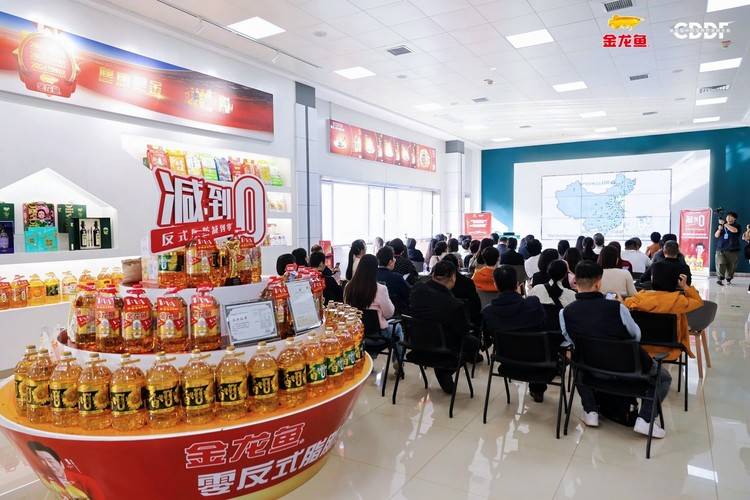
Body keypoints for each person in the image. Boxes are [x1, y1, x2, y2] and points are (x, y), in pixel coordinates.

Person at [560, 261, 671, 437]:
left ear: (575, 282)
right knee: (663, 377)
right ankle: (645, 419)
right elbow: (636, 336)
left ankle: (590, 411)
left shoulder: (565, 312)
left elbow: (571, 340)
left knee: (577, 361)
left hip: (592, 369)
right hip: (627, 370)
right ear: (598, 283)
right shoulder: (616, 308)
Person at [482, 265, 550, 402]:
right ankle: (537, 389)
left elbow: (487, 338)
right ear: (517, 284)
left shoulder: (488, 312)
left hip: (507, 361)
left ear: (495, 285)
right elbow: (543, 327)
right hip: (538, 363)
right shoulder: (532, 304)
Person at [409, 260, 480, 393]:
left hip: (417, 344)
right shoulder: (454, 304)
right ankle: (444, 371)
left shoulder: (417, 290)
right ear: (453, 277)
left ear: (433, 274)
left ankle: (442, 371)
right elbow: (463, 331)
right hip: (443, 348)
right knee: (474, 343)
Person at [626, 261, 703, 363]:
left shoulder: (638, 299)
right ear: (675, 281)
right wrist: (685, 286)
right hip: (670, 350)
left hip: (641, 349)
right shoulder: (677, 301)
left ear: (652, 279)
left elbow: (624, 304)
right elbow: (698, 302)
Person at [344, 254, 402, 368]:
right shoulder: (380, 289)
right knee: (398, 328)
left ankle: (370, 357)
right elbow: (389, 313)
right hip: (378, 334)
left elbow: (347, 310)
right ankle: (398, 361)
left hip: (356, 333)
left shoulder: (348, 287)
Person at [28, 441, 103, 499]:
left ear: (61, 464)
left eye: (50, 461)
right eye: (42, 461)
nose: (48, 465)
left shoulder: (86, 481)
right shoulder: (47, 480)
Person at [442, 254, 481, 327]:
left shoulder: (438, 284)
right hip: (466, 323)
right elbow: (476, 305)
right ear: (458, 266)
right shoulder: (467, 282)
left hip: (443, 324)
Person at [376, 246, 410, 316]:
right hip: (394, 314)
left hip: (375, 314)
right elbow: (408, 294)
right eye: (393, 257)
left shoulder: (371, 276)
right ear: (390, 261)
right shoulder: (397, 278)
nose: (395, 260)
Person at [715, 211, 741, 286]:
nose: (728, 217)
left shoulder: (737, 225)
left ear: (734, 219)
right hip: (720, 248)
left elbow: (734, 230)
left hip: (733, 249)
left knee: (731, 266)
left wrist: (725, 224)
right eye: (727, 216)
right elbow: (716, 235)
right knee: (720, 263)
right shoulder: (721, 225)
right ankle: (720, 279)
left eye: (730, 216)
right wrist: (719, 229)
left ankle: (728, 279)